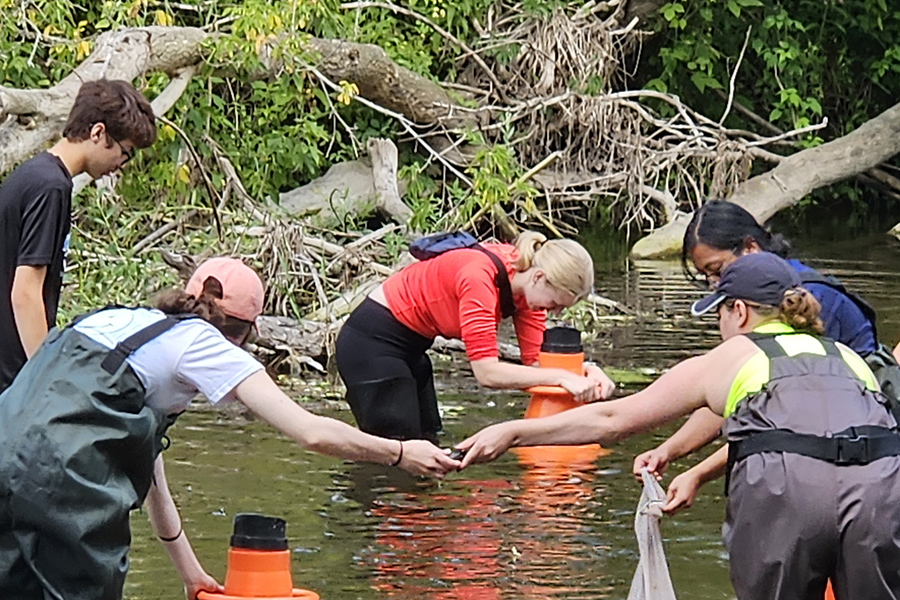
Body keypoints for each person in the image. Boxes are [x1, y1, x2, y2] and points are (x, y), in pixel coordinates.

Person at [0, 257, 460, 600]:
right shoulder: (207, 345)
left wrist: (190, 573)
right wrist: (400, 453)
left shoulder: (117, 322)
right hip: (60, 476)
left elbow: (149, 475)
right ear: (243, 329)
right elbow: (311, 432)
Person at [456, 252, 900, 600]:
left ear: (739, 311)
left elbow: (614, 419)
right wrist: (681, 459)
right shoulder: (848, 358)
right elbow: (787, 431)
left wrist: (515, 432)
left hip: (792, 496)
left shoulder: (733, 354)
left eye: (719, 314)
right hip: (880, 489)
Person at [632, 199, 900, 508]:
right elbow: (727, 394)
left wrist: (699, 473)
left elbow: (779, 425)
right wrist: (669, 450)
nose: (716, 287)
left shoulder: (809, 300)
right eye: (708, 279)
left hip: (857, 461)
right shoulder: (767, 297)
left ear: (750, 248)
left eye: (718, 271)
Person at [335, 230, 616, 441]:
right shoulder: (478, 278)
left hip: (411, 351)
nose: (553, 313)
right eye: (555, 305)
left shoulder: (526, 289)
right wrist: (561, 377)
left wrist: (584, 372)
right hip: (370, 346)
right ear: (539, 277)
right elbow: (486, 373)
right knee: (399, 453)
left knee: (430, 441)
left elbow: (535, 367)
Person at [0, 79, 157, 393]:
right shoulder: (51, 187)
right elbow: (26, 293)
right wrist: (43, 381)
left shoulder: (34, 174)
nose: (121, 166)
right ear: (98, 133)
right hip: (11, 381)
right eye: (126, 153)